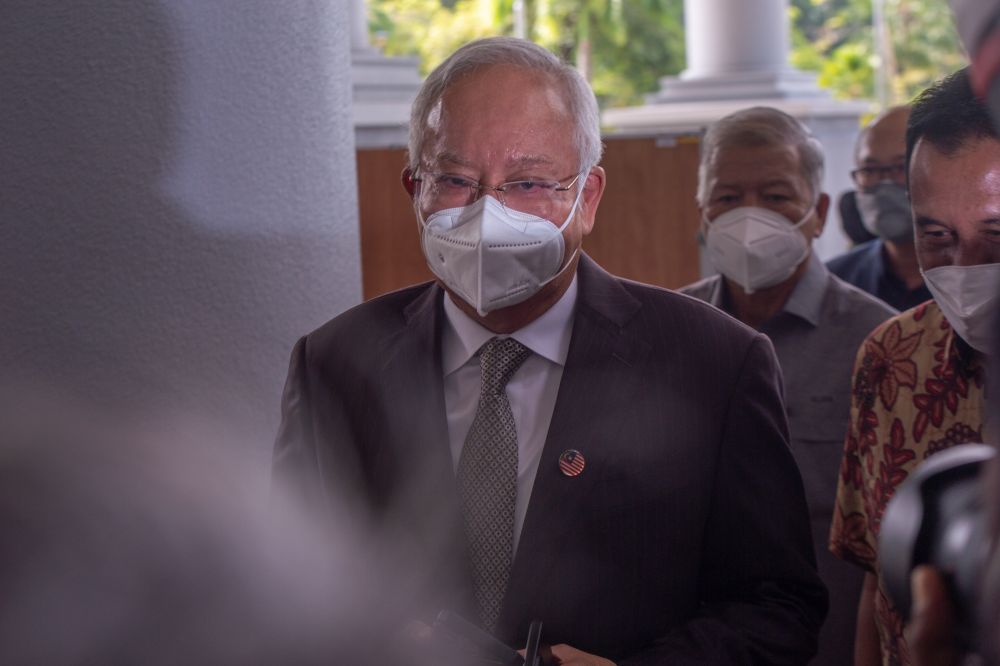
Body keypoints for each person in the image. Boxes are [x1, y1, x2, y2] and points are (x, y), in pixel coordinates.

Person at [273, 36, 827, 664]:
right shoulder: (334, 363)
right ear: (414, 189)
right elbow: (278, 597)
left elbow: (777, 607)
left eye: (529, 182)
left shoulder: (715, 363)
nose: (490, 211)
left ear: (587, 197)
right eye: (455, 179)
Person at [680, 107, 896, 666]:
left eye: (776, 196)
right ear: (702, 211)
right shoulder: (669, 333)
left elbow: (888, 544)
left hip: (833, 645)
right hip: (695, 645)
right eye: (728, 198)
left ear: (819, 212)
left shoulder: (878, 345)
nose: (750, 217)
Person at [828, 67, 1000, 666]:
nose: (967, 267)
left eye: (996, 234)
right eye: (937, 237)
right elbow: (877, 583)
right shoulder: (893, 359)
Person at [827, 106, 934, 312]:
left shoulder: (974, 278)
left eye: (900, 167)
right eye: (870, 170)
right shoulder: (836, 283)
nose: (884, 183)